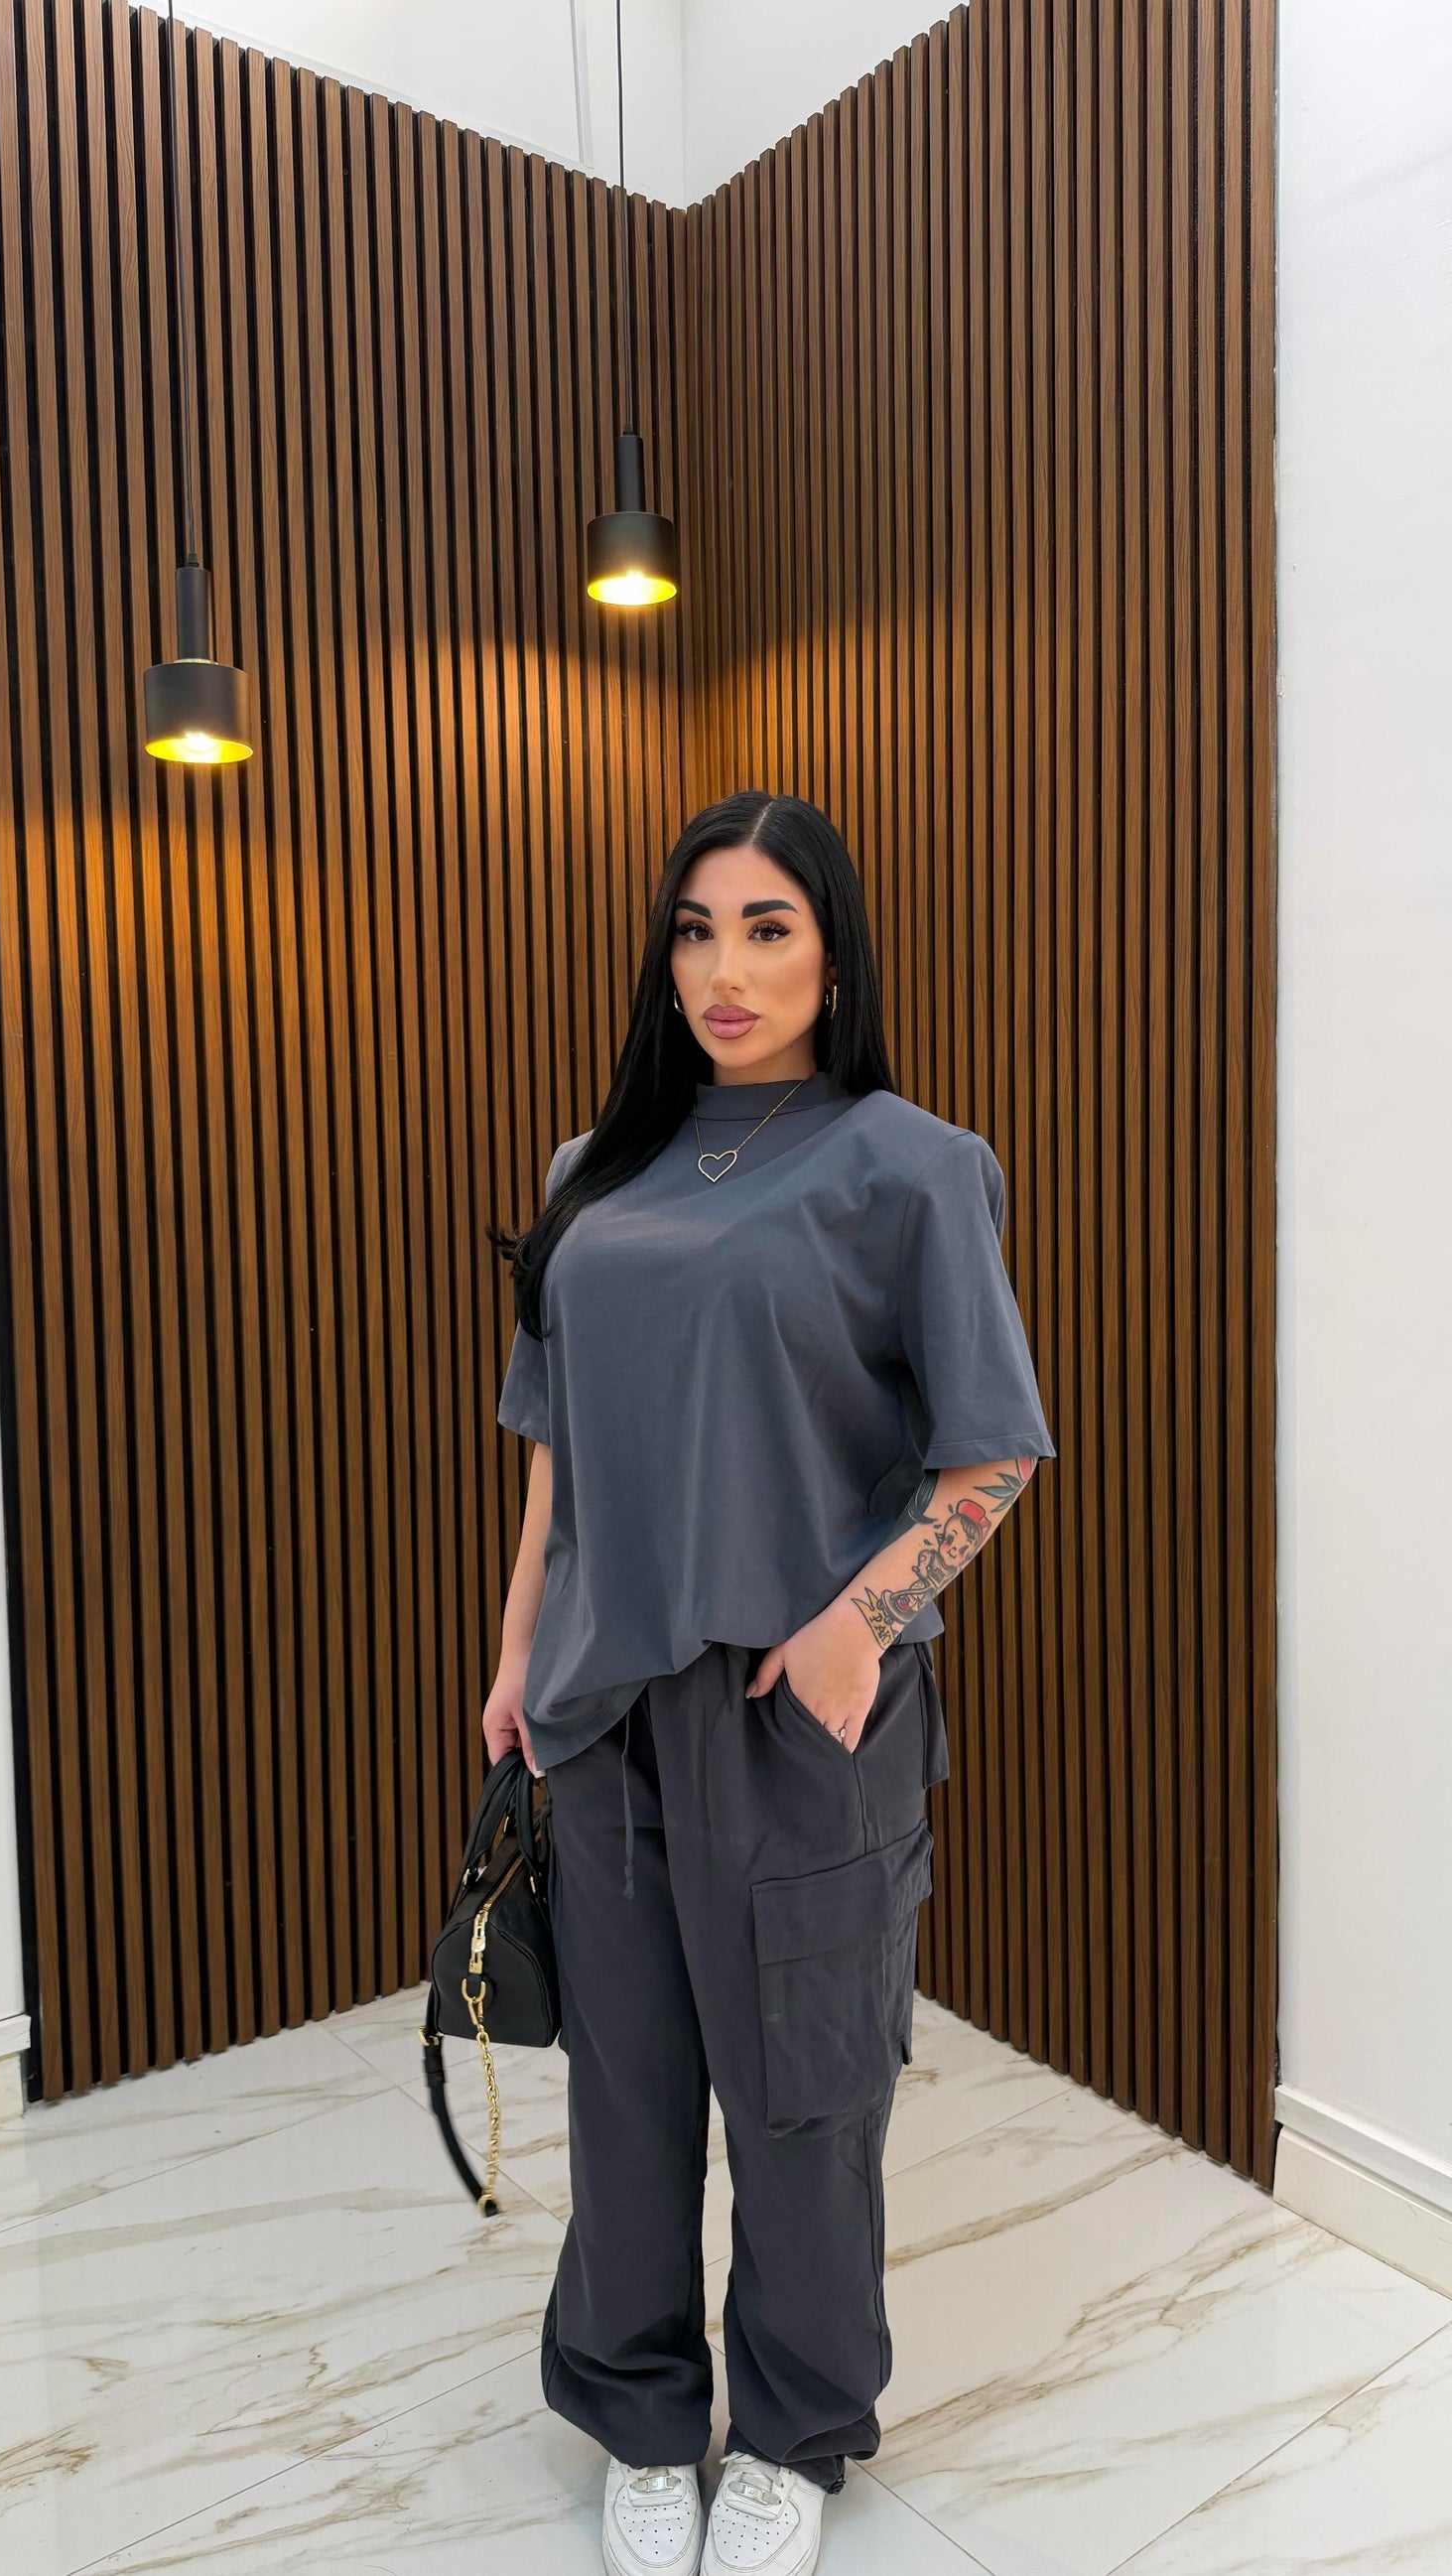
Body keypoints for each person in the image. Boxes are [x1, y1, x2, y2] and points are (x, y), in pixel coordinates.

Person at [483, 791, 1056, 2576]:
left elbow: (991, 1455)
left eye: (766, 927)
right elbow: (556, 1447)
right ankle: (640, 2413)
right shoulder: (593, 1171)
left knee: (804, 2099)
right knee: (625, 2091)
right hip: (601, 1707)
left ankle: (794, 2432)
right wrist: (514, 1652)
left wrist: (851, 1629)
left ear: (832, 950)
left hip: (794, 1719)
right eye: (693, 930)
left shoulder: (911, 1165)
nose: (721, 971)